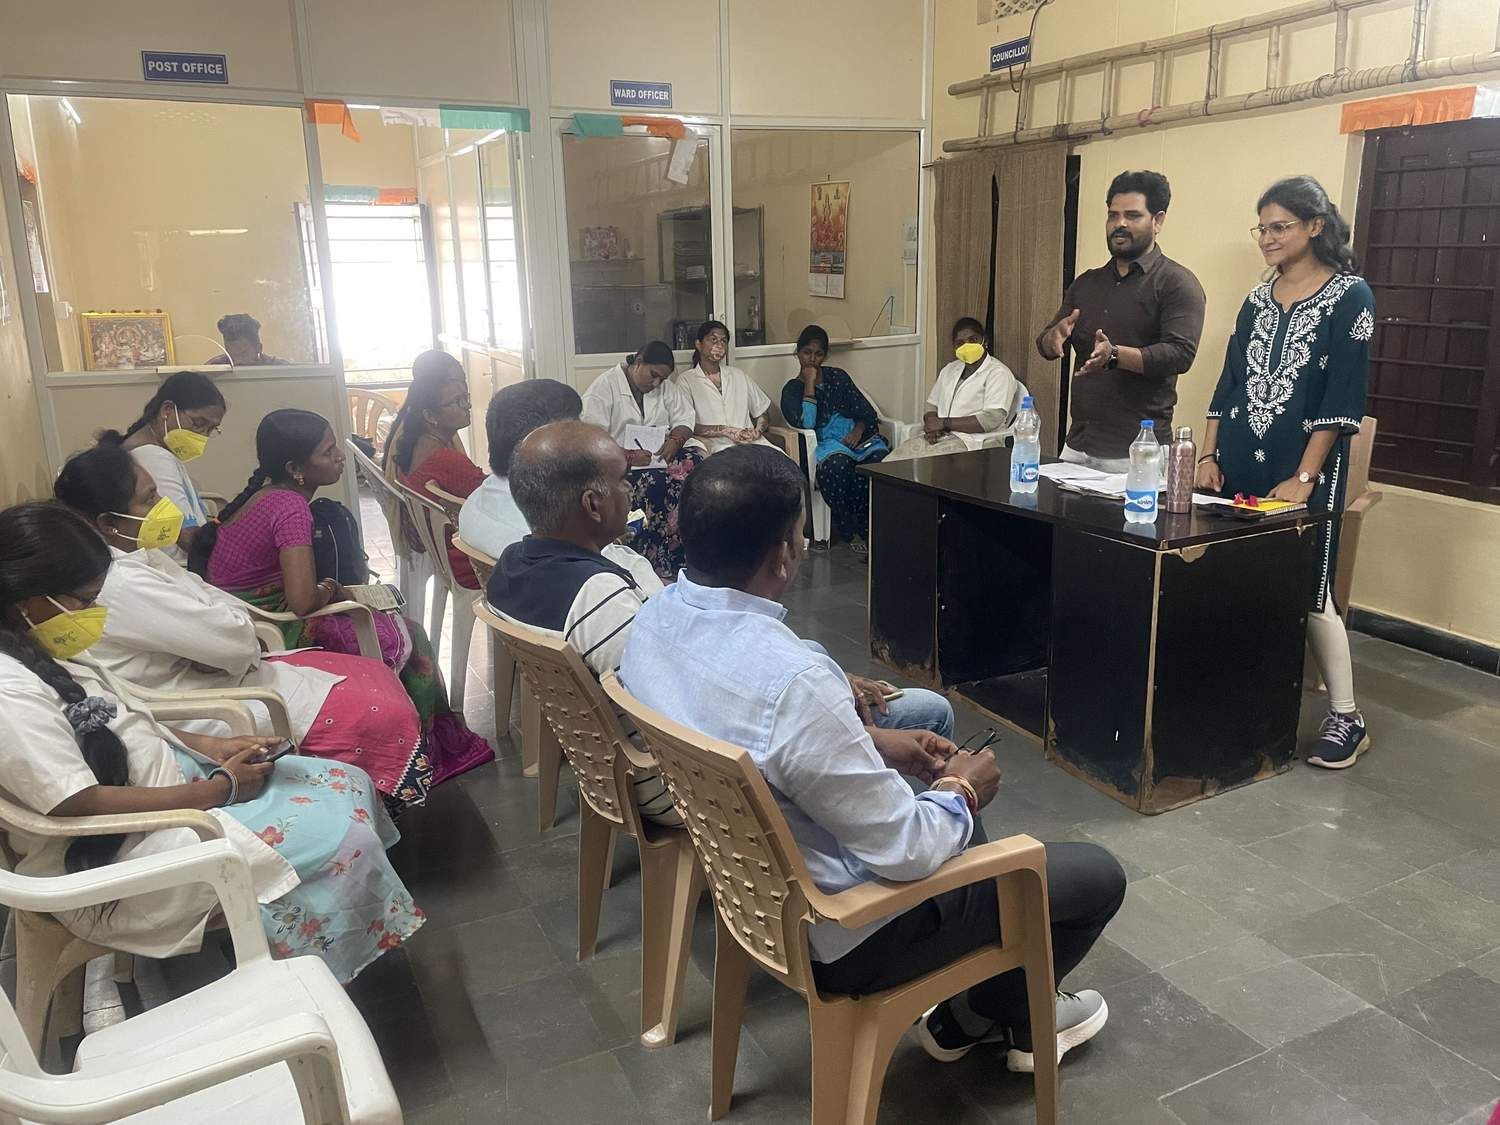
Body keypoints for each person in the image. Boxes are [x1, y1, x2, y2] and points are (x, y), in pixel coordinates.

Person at [620, 445, 1124, 1071]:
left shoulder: (654, 618)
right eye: (801, 532)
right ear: (784, 553)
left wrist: (871, 745)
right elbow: (906, 850)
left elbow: (766, 745)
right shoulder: (793, 685)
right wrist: (963, 790)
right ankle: (989, 1014)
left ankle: (980, 1001)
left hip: (752, 894)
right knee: (1095, 875)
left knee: (960, 829)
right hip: (849, 928)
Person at [0, 501, 421, 982]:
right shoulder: (9, 691)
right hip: (126, 850)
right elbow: (75, 802)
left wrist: (209, 746)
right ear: (25, 599)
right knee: (342, 838)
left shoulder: (41, 644)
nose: (94, 612)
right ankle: (305, 977)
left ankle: (313, 949)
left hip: (170, 788)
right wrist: (217, 790)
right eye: (83, 600)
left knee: (343, 781)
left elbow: (121, 721)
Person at [53, 443, 434, 811]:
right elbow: (236, 637)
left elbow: (217, 601)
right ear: (107, 523)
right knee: (381, 702)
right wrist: (226, 633)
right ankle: (370, 801)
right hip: (206, 698)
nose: (163, 507)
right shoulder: (119, 584)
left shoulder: (140, 555)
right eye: (150, 498)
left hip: (231, 666)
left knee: (372, 671)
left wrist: (222, 629)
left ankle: (379, 802)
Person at [192, 408, 494, 788]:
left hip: (249, 616)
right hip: (274, 628)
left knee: (393, 620)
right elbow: (302, 602)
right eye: (327, 451)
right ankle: (423, 753)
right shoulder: (291, 508)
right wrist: (332, 588)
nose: (338, 457)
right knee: (410, 634)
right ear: (296, 467)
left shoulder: (266, 496)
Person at [1196, 176, 1374, 770]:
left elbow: (1339, 397)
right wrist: (1208, 455)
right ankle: (1243, 695)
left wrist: (1304, 476)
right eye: (1262, 228)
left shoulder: (1351, 296)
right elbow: (1229, 384)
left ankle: (1346, 717)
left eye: (1280, 227)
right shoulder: (1256, 299)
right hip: (1242, 461)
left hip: (1303, 469)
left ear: (1314, 227)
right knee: (1245, 577)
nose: (1268, 239)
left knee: (1311, 590)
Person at [485, 420, 681, 825]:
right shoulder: (597, 595)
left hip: (601, 770)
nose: (630, 490)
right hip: (665, 785)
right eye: (624, 481)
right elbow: (671, 700)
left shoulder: (509, 566)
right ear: (593, 505)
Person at [1035, 170, 1206, 471]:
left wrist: (1115, 356)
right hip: (1077, 446)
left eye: (1133, 215)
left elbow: (1180, 355)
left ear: (1158, 221)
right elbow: (1047, 344)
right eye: (1113, 215)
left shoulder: (1176, 283)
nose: (1120, 224)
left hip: (1137, 452)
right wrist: (1052, 337)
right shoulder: (1087, 283)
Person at [580, 341, 704, 579]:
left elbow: (685, 418)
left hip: (659, 456)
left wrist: (675, 441)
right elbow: (591, 438)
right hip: (618, 464)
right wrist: (626, 455)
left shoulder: (665, 387)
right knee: (655, 481)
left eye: (662, 379)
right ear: (638, 363)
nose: (657, 383)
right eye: (653, 375)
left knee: (695, 467)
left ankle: (685, 557)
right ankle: (652, 561)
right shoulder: (605, 388)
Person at [778, 324, 888, 555]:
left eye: (818, 354)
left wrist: (858, 431)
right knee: (838, 466)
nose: (812, 359)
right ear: (797, 353)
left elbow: (866, 412)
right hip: (826, 445)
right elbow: (806, 424)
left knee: (881, 462)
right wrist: (809, 383)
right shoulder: (791, 390)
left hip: (859, 441)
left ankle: (880, 529)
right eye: (807, 352)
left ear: (825, 356)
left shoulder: (838, 377)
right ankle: (852, 530)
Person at [383, 350, 485, 589]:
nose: (467, 406)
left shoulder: (415, 435)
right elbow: (487, 496)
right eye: (456, 401)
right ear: (430, 415)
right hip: (462, 559)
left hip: (436, 543)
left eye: (465, 394)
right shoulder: (445, 459)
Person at [106, 371, 227, 561]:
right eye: (198, 423)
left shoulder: (148, 450)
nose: (202, 435)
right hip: (181, 568)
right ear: (167, 410)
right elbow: (188, 539)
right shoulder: (153, 457)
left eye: (210, 429)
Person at [458, 378, 583, 560]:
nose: (585, 437)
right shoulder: (547, 535)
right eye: (575, 429)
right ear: (539, 446)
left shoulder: (478, 498)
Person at [887, 317, 1022, 462]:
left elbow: (991, 419)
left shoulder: (998, 373)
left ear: (985, 341)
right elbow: (932, 406)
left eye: (973, 340)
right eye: (960, 343)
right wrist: (933, 426)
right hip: (940, 437)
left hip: (973, 443)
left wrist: (944, 423)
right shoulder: (950, 369)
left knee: (927, 466)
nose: (967, 346)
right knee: (892, 463)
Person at [675, 321, 775, 454]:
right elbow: (685, 424)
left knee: (782, 467)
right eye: (713, 339)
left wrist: (757, 431)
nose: (719, 345)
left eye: (723, 341)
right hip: (716, 448)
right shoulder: (686, 380)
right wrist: (725, 430)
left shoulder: (738, 375)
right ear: (699, 344)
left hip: (752, 445)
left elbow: (762, 412)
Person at [205, 313, 290, 366]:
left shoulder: (279, 370)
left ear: (258, 348)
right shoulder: (214, 369)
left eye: (243, 353)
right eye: (231, 355)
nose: (237, 361)